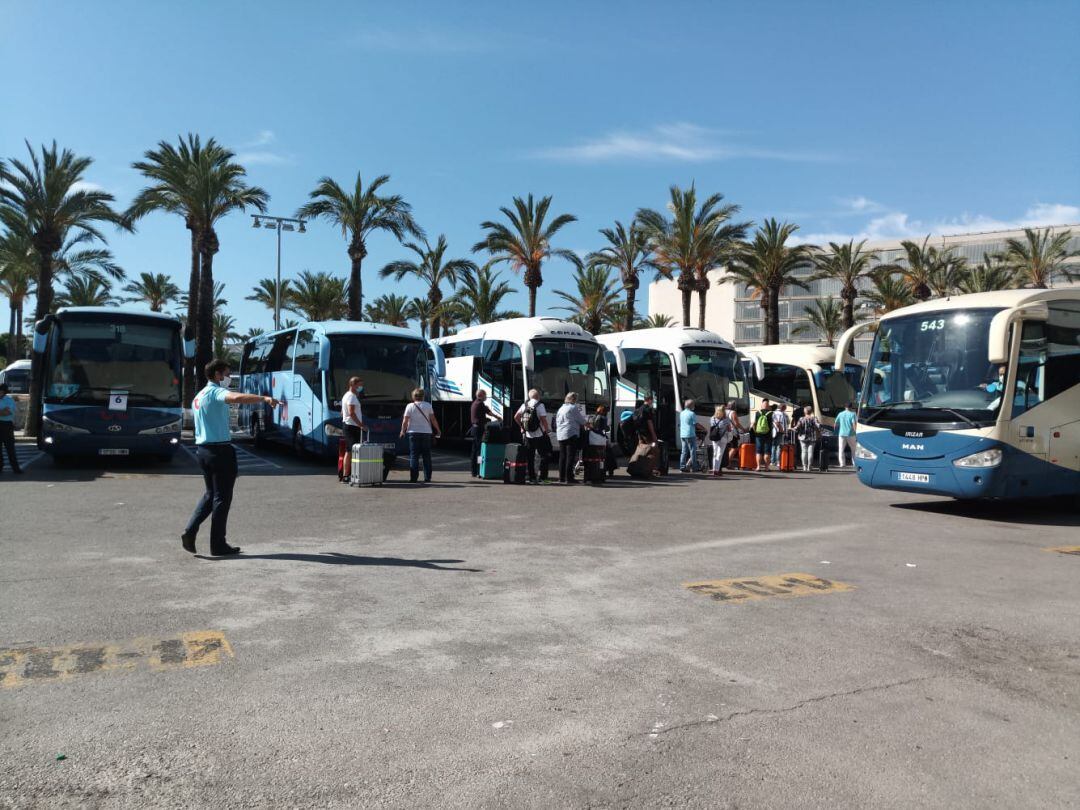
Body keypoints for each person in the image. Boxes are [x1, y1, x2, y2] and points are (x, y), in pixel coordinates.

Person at [183, 359, 278, 556]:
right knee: (222, 499)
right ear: (217, 375)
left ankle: (190, 530)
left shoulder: (199, 396)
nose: (228, 378)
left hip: (202, 450)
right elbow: (236, 398)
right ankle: (218, 544)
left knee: (211, 495)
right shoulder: (216, 391)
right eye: (226, 374)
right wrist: (264, 398)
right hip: (219, 451)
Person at [400, 388, 441, 484]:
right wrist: (438, 430)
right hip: (426, 433)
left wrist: (402, 431)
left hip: (413, 433)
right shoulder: (428, 405)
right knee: (426, 456)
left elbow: (405, 421)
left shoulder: (409, 406)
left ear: (413, 396)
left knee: (414, 456)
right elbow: (433, 419)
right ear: (423, 396)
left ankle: (413, 478)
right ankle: (427, 478)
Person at [514, 388, 550, 483]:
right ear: (538, 396)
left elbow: (516, 417)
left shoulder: (524, 405)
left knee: (530, 457)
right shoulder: (540, 405)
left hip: (528, 435)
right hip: (539, 434)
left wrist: (522, 427)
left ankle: (532, 478)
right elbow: (543, 419)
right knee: (544, 456)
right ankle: (543, 478)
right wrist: (547, 431)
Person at [555, 392, 588, 484]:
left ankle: (561, 477)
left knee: (562, 456)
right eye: (576, 399)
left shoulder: (561, 408)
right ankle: (569, 478)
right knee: (570, 456)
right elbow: (581, 420)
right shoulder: (573, 408)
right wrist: (589, 425)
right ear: (573, 399)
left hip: (560, 434)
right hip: (570, 434)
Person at [340, 376, 366, 482]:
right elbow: (351, 412)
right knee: (351, 451)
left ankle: (348, 474)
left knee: (349, 450)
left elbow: (343, 412)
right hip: (351, 426)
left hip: (348, 425)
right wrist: (361, 425)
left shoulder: (346, 395)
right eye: (359, 385)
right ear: (353, 385)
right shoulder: (351, 397)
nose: (361, 387)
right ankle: (347, 475)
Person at [470, 389, 497, 478]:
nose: (486, 397)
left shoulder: (474, 403)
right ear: (481, 395)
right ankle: (479, 470)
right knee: (479, 451)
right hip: (479, 429)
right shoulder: (480, 404)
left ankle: (473, 471)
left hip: (474, 429)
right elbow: (489, 412)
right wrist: (498, 417)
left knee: (474, 451)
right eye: (485, 395)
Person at [0, 383, 22, 474]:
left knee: (10, 448)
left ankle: (15, 468)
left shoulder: (9, 400)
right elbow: (4, 412)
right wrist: (2, 411)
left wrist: (3, 412)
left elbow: (8, 412)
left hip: (7, 425)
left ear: (4, 391)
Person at [708, 404, 734, 478]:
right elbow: (729, 429)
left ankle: (713, 469)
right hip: (723, 438)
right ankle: (716, 470)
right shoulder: (726, 420)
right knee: (719, 454)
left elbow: (712, 426)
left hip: (714, 437)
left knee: (715, 453)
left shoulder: (712, 418)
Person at [794, 405, 821, 473]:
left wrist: (794, 429)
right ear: (811, 411)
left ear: (805, 411)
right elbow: (819, 426)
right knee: (810, 452)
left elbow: (797, 427)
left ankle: (804, 466)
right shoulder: (814, 418)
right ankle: (809, 466)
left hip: (803, 437)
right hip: (812, 437)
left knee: (803, 452)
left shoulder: (801, 419)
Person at [752, 398, 774, 471]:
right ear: (768, 406)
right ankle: (766, 467)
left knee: (758, 451)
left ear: (761, 405)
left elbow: (753, 424)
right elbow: (775, 424)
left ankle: (758, 467)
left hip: (758, 435)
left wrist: (755, 431)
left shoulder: (757, 413)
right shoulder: (771, 413)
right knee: (767, 451)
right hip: (768, 434)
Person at [834, 402, 857, 468]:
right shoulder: (853, 414)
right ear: (851, 407)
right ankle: (854, 463)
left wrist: (836, 430)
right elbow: (854, 424)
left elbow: (836, 423)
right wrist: (856, 432)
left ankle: (842, 464)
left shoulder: (840, 414)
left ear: (845, 407)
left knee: (841, 449)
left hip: (841, 434)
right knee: (853, 449)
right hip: (851, 434)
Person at [678, 399, 698, 473]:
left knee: (684, 451)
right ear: (691, 406)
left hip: (682, 434)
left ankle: (682, 466)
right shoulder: (692, 414)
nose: (694, 406)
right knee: (692, 451)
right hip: (690, 434)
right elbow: (695, 424)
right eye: (693, 405)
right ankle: (694, 467)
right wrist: (703, 428)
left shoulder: (682, 413)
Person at [770, 403, 790, 467]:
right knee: (778, 446)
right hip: (780, 431)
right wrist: (783, 430)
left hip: (774, 431)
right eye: (785, 408)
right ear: (783, 407)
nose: (785, 409)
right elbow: (786, 422)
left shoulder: (774, 413)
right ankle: (778, 461)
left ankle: (773, 461)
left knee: (773, 446)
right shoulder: (783, 414)